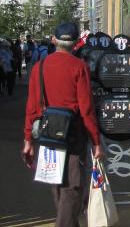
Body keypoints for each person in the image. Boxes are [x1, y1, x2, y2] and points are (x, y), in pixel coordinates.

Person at [22, 23, 103, 226]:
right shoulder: (79, 67)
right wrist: (96, 141)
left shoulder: (39, 67)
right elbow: (86, 109)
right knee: (73, 186)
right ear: (75, 43)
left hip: (48, 132)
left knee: (56, 182)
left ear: (54, 40)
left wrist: (27, 140)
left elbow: (31, 107)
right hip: (73, 133)